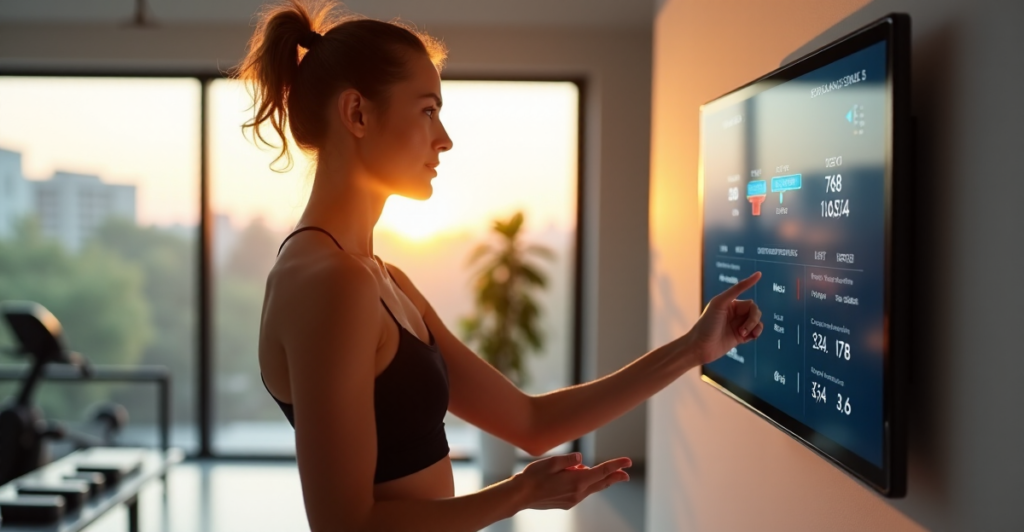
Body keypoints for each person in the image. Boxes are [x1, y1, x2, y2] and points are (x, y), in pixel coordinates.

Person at [248, 1, 764, 530]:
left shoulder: (381, 277)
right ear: (357, 113)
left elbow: (531, 422)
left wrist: (695, 348)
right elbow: (346, 526)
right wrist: (517, 495)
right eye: (427, 109)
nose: (444, 138)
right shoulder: (332, 282)